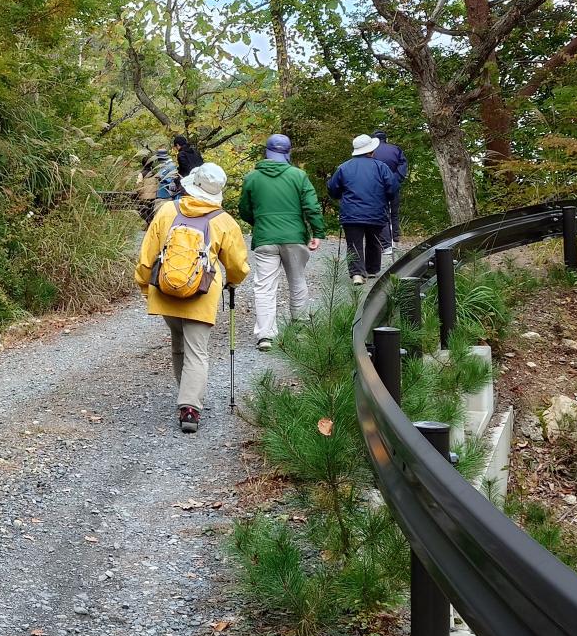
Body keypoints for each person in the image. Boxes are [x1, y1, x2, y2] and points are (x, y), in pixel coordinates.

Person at [134, 161, 251, 434]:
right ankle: (190, 407)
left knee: (178, 344)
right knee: (197, 351)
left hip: (166, 291)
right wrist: (233, 281)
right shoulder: (223, 221)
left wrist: (144, 286)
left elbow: (146, 256)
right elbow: (237, 264)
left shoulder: (166, 212)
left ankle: (185, 396)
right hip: (201, 293)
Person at [236, 133, 325, 352]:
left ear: (267, 152)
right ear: (287, 153)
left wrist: (259, 222)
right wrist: (318, 232)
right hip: (294, 237)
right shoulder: (299, 176)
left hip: (265, 238)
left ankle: (265, 335)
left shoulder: (252, 178)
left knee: (264, 287)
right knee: (297, 281)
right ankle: (300, 330)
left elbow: (244, 210)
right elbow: (311, 207)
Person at [327, 135, 402, 285]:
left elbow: (332, 189)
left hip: (351, 213)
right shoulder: (381, 167)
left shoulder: (344, 167)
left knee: (354, 243)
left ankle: (357, 275)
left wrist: (340, 195)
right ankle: (372, 269)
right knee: (374, 241)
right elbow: (393, 188)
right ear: (372, 150)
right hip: (376, 212)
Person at [370, 132, 410, 251]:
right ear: (385, 139)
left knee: (379, 212)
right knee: (393, 212)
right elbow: (403, 164)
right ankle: (395, 238)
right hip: (393, 185)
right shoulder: (395, 149)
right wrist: (395, 179)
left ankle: (383, 242)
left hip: (375, 186)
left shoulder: (371, 150)